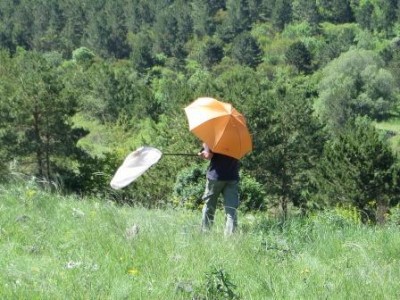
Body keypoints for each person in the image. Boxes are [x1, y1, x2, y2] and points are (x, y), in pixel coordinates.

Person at [198, 143, 240, 235]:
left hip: (215, 177)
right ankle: (230, 237)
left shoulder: (216, 136)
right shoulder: (238, 138)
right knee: (231, 209)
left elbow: (208, 155)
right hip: (232, 177)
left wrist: (204, 151)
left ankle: (205, 233)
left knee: (209, 206)